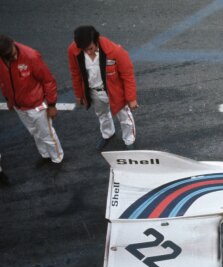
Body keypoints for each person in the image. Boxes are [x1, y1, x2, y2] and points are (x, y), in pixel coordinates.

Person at [68, 26, 138, 151]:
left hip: (115, 92)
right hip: (93, 91)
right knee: (102, 115)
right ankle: (108, 134)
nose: (88, 52)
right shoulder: (73, 50)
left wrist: (131, 98)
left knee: (124, 118)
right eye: (84, 50)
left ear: (96, 40)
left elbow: (127, 75)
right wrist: (79, 95)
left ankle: (129, 140)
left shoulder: (115, 51)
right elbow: (75, 73)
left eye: (90, 48)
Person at [0, 35, 64, 164]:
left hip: (37, 105)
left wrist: (51, 105)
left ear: (13, 43)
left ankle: (57, 159)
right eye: (6, 56)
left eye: (10, 53)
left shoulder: (31, 56)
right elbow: (3, 81)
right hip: (19, 106)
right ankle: (45, 155)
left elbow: (48, 81)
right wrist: (8, 100)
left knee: (47, 134)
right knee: (34, 132)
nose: (11, 57)